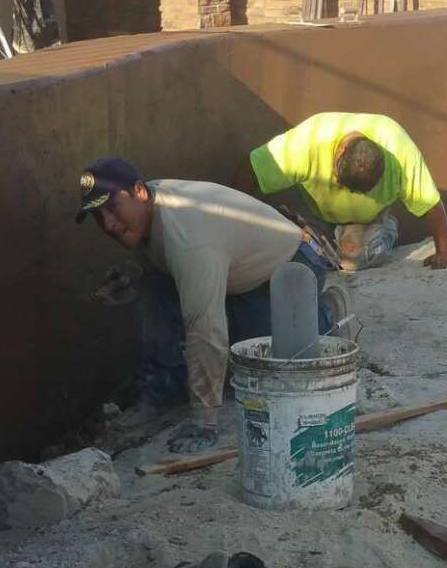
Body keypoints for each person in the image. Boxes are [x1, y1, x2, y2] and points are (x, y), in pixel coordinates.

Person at [78, 157, 330, 454]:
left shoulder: (189, 238)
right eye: (98, 215)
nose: (107, 223)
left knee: (261, 365)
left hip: (289, 269)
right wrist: (137, 272)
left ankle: (324, 318)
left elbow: (206, 329)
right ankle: (164, 391)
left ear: (139, 192)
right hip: (237, 274)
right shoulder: (154, 202)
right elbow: (164, 256)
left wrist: (204, 420)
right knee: (153, 289)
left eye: (113, 207)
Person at [233, 112, 447, 271]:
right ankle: (322, 240)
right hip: (316, 212)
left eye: (361, 191)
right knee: (295, 258)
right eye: (344, 185)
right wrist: (235, 218)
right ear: (339, 153)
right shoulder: (309, 141)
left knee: (353, 260)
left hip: (365, 219)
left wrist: (444, 251)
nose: (350, 193)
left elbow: (430, 204)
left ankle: (385, 229)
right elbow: (253, 167)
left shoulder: (399, 150)